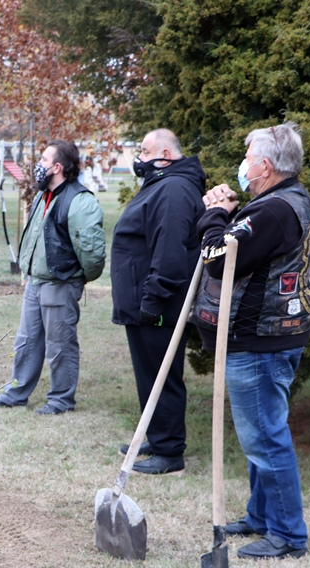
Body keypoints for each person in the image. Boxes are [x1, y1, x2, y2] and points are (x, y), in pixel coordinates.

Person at [191, 122, 310, 560]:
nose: (243, 165)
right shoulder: (282, 202)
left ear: (264, 166)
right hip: (269, 336)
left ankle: (287, 536)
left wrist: (214, 214)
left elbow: (217, 258)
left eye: (248, 158)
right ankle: (261, 516)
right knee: (260, 434)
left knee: (265, 437)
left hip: (260, 340)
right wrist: (229, 213)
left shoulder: (275, 210)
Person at [0, 140, 106, 415]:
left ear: (57, 167)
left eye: (44, 160)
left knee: (60, 345)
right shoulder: (43, 195)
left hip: (60, 284)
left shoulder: (80, 200)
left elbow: (93, 253)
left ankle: (61, 400)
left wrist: (76, 278)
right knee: (26, 342)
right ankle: (16, 394)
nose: (39, 164)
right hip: (36, 282)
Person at [110, 129, 206, 475]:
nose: (140, 157)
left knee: (162, 373)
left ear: (165, 154)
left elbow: (169, 251)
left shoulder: (174, 189)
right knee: (149, 372)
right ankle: (156, 434)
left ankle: (169, 452)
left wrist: (154, 298)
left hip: (157, 302)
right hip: (143, 299)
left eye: (145, 150)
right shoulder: (163, 184)